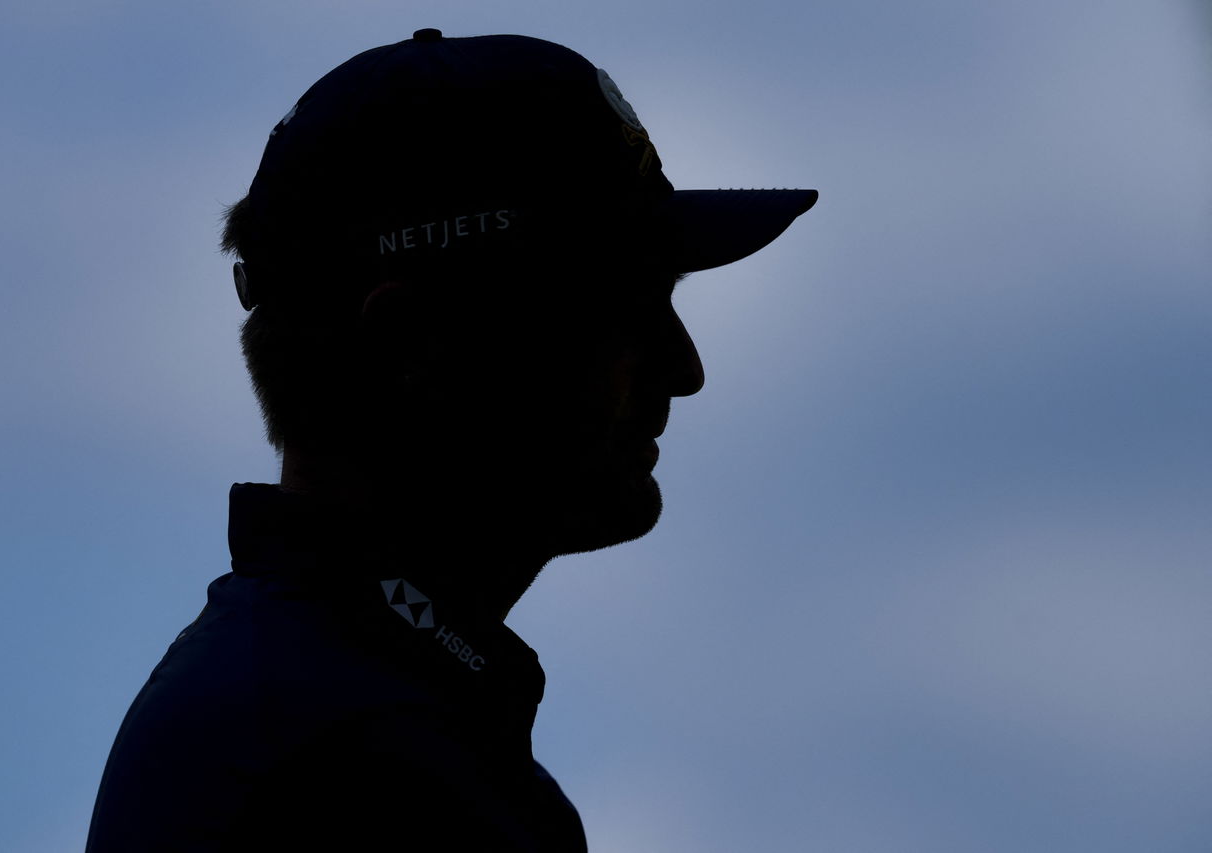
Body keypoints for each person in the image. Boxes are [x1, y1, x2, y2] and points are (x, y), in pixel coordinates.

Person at [86, 29, 815, 852]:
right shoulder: (356, 764)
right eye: (623, 310)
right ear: (410, 347)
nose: (686, 369)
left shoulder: (321, 703)